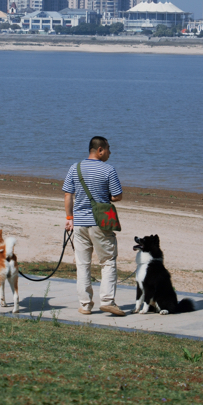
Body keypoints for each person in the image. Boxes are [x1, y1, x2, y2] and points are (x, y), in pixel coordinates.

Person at [62, 135, 125, 317]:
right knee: (108, 261)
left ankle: (85, 305)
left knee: (83, 265)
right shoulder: (108, 170)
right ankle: (107, 301)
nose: (110, 153)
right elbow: (117, 196)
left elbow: (68, 195)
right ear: (100, 150)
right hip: (101, 222)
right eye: (108, 149)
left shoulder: (75, 168)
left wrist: (69, 218)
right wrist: (105, 197)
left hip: (80, 223)